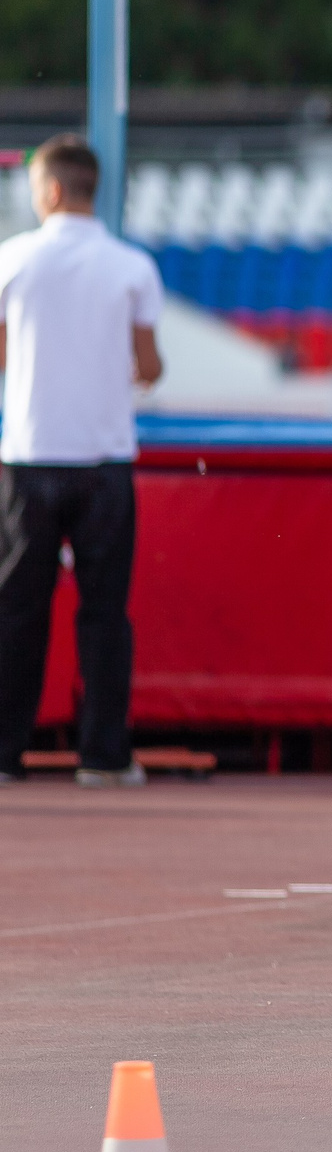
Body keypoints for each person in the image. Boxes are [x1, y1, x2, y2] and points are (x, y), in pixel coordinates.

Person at [0, 136, 164, 788]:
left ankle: (4, 752)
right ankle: (103, 754)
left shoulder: (11, 258)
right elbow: (148, 366)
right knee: (104, 613)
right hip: (104, 460)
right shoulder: (132, 267)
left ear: (51, 190)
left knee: (17, 610)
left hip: (30, 456)